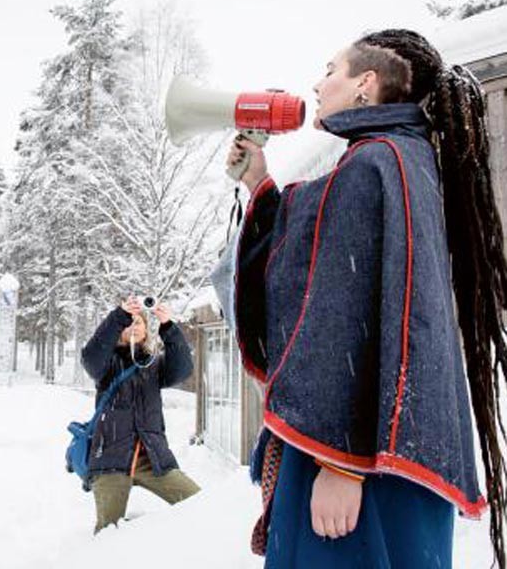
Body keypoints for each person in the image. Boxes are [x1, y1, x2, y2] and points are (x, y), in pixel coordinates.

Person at [231, 30, 505, 567]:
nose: (317, 82)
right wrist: (259, 186)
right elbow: (327, 272)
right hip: (386, 451)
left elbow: (348, 318)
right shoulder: (403, 160)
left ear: (365, 83)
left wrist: (342, 463)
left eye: (330, 69)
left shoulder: (372, 165)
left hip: (354, 461)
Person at [81, 296, 200, 533]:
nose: (133, 327)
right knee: (108, 531)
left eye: (138, 323)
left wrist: (168, 326)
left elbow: (182, 369)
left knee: (197, 503)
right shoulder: (106, 364)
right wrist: (119, 316)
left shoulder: (152, 364)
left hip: (152, 457)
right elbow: (90, 358)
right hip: (111, 459)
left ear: (146, 330)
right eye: (128, 324)